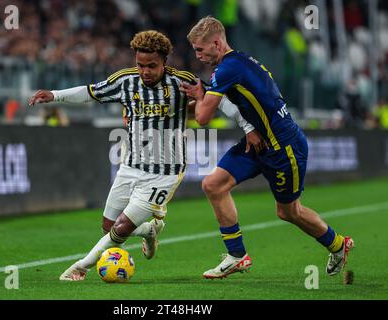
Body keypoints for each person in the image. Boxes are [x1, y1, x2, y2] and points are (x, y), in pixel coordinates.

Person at [29, 30, 258, 281]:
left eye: (152, 66)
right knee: (109, 227)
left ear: (164, 62)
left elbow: (222, 102)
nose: (145, 71)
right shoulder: (125, 80)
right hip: (130, 166)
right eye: (140, 65)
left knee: (122, 228)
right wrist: (55, 95)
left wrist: (249, 128)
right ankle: (150, 230)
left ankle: (80, 267)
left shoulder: (181, 81)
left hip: (166, 172)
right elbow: (91, 91)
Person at [181, 16, 354, 279]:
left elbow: (203, 117)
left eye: (200, 49)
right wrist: (247, 128)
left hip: (283, 148)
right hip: (257, 142)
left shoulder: (228, 70)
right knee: (213, 185)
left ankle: (338, 244)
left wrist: (199, 96)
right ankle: (237, 256)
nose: (198, 55)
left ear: (216, 43)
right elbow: (240, 104)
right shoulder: (238, 62)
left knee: (288, 211)